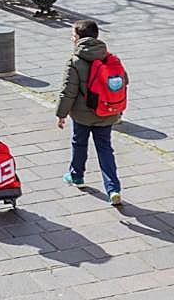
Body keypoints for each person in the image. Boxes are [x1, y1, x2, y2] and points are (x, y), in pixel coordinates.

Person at [57, 19, 126, 206]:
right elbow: (123, 81)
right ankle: (113, 189)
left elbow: (68, 91)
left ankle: (76, 176)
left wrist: (61, 114)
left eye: (72, 35)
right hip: (106, 112)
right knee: (105, 148)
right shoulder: (110, 57)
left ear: (78, 38)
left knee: (79, 143)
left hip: (82, 115)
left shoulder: (75, 61)